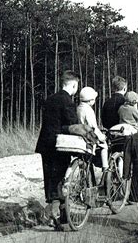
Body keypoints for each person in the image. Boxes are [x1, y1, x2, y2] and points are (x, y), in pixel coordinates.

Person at [35, 70, 80, 231]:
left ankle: (57, 215)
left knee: (50, 179)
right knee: (61, 180)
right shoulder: (68, 101)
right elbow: (73, 125)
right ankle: (58, 216)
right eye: (76, 86)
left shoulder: (50, 99)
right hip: (60, 146)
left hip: (45, 145)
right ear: (74, 85)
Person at [77, 86, 109, 178]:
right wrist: (101, 136)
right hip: (88, 136)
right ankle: (105, 167)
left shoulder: (78, 108)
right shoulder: (89, 110)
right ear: (91, 100)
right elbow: (93, 127)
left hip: (79, 136)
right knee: (104, 145)